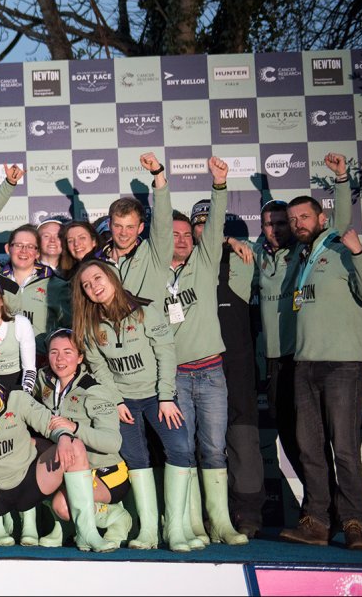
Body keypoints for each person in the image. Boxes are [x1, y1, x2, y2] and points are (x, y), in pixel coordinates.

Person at [278, 173, 362, 551]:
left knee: (345, 448)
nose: (297, 224)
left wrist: (358, 253)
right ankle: (317, 522)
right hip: (305, 365)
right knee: (310, 448)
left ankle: (353, 522)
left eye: (304, 217)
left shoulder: (340, 247)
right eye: (292, 220)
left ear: (322, 219)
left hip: (342, 365)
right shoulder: (302, 258)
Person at [254, 153, 352, 521]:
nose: (277, 229)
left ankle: (338, 512)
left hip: (306, 358)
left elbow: (341, 225)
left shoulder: (306, 252)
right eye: (270, 224)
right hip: (277, 365)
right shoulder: (256, 257)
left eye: (284, 223)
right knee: (297, 444)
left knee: (324, 442)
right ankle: (320, 508)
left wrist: (341, 179)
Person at [71, 260, 191, 552]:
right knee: (136, 458)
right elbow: (99, 368)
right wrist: (116, 400)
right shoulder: (89, 324)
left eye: (97, 278)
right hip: (124, 402)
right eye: (86, 285)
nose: (93, 287)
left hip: (157, 397)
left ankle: (174, 529)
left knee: (180, 447)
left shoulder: (145, 311)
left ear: (112, 277)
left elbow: (165, 354)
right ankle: (149, 531)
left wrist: (166, 396)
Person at [0, 360, 115, 552]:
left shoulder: (17, 398)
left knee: (74, 445)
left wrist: (63, 436)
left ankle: (87, 532)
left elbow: (48, 422)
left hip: (30, 482)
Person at [160, 157, 247, 548]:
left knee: (213, 448)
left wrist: (219, 184)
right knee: (183, 449)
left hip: (212, 373)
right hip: (173, 376)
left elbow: (214, 229)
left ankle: (221, 523)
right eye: (172, 234)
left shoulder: (206, 261)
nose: (180, 239)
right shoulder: (151, 272)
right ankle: (191, 523)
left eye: (184, 234)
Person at [33, 329, 130, 549]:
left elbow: (112, 442)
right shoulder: (44, 380)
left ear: (80, 357)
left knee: (63, 506)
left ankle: (116, 516)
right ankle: (65, 528)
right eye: (54, 352)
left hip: (106, 472)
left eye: (68, 352)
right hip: (67, 468)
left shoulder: (94, 390)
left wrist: (74, 427)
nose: (60, 359)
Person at [91, 153, 173, 302]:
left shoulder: (153, 253)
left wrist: (158, 173)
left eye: (130, 227)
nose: (123, 233)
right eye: (118, 226)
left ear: (140, 228)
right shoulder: (95, 262)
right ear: (109, 225)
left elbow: (163, 220)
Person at [0, 224, 69, 356]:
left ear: (37, 253)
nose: (24, 250)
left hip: (40, 360)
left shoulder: (56, 285)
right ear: (8, 248)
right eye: (18, 245)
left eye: (30, 246)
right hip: (2, 360)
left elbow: (68, 329)